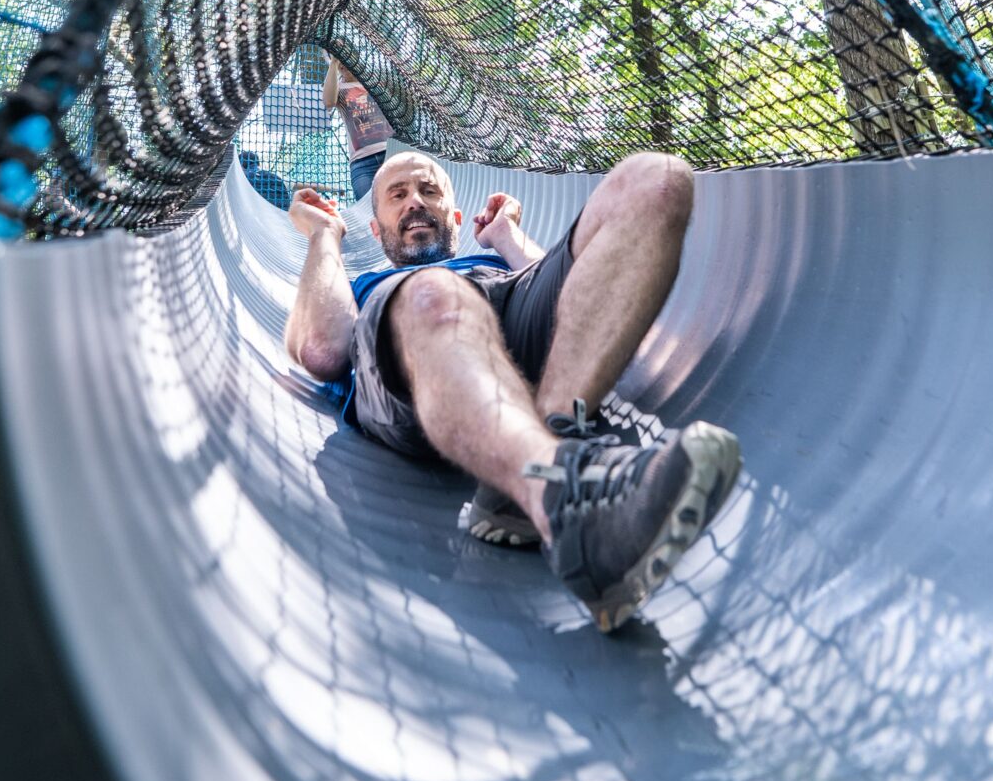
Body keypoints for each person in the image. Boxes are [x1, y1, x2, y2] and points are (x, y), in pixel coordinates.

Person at [283, 149, 742, 633]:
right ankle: (562, 500)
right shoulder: (368, 285)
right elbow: (321, 348)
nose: (415, 202)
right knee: (434, 292)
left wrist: (505, 236)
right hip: (416, 347)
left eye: (429, 191)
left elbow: (590, 300)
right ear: (375, 230)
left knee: (658, 179)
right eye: (398, 196)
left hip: (509, 307)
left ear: (455, 220)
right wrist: (325, 236)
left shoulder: (492, 256)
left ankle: (544, 449)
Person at [324, 56, 393, 201]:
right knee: (366, 207)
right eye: (337, 60)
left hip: (390, 152)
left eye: (343, 57)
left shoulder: (374, 80)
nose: (342, 64)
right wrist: (334, 62)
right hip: (362, 162)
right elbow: (329, 101)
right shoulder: (339, 88)